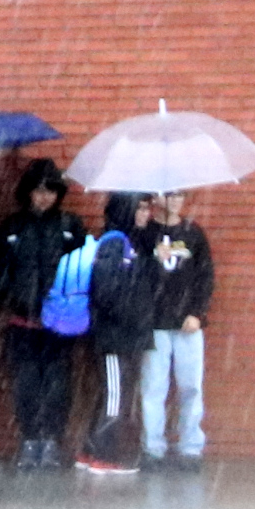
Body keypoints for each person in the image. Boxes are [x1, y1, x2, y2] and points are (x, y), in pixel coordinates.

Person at [0, 157, 81, 472]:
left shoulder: (70, 227)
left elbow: (81, 272)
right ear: (28, 192)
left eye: (50, 191)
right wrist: (13, 298)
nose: (44, 197)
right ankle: (30, 439)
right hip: (21, 321)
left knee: (57, 384)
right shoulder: (12, 227)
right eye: (38, 190)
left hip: (60, 324)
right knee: (26, 384)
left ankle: (52, 441)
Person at [137, 187, 217, 467]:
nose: (175, 200)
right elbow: (134, 276)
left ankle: (190, 447)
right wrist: (151, 259)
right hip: (155, 323)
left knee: (190, 386)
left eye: (180, 195)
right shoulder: (145, 234)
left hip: (187, 325)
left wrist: (196, 312)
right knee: (153, 387)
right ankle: (153, 447)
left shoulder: (193, 234)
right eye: (169, 195)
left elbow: (205, 277)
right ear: (157, 198)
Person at [76, 190, 152, 479]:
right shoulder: (114, 245)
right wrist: (132, 317)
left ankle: (90, 450)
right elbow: (107, 293)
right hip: (115, 339)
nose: (146, 214)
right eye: (141, 209)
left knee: (111, 395)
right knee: (115, 398)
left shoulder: (128, 244)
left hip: (122, 337)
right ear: (127, 211)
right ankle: (103, 456)